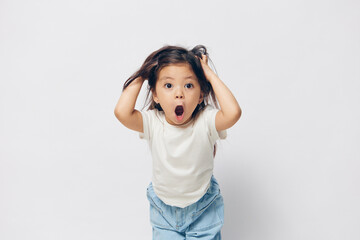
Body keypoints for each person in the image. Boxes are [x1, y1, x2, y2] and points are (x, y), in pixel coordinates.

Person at [114, 45, 241, 239]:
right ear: (155, 95)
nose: (179, 93)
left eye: (189, 85)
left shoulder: (206, 121)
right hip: (163, 212)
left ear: (201, 95)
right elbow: (122, 112)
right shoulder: (153, 122)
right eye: (168, 85)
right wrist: (143, 74)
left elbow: (233, 113)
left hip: (203, 209)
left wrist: (209, 74)